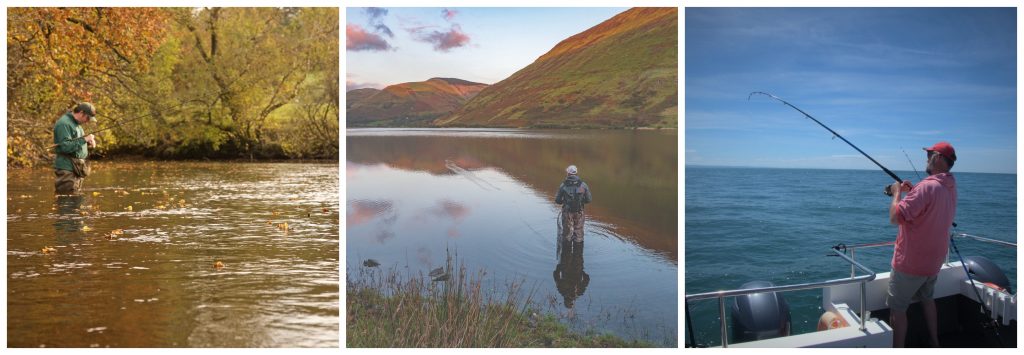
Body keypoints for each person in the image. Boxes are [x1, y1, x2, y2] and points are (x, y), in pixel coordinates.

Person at [886, 141, 958, 347]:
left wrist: (897, 193)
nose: (926, 159)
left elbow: (895, 217)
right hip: (933, 263)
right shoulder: (950, 186)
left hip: (911, 263)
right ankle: (934, 341)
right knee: (928, 299)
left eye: (929, 155)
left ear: (937, 158)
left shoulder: (927, 187)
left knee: (898, 310)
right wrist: (914, 192)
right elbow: (928, 205)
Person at [53, 102, 97, 194]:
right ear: (81, 113)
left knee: (75, 202)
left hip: (76, 169)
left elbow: (76, 143)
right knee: (67, 202)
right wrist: (84, 139)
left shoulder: (76, 124)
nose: (88, 121)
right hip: (67, 169)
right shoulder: (64, 124)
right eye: (88, 118)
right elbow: (65, 146)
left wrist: (88, 142)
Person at [555, 165, 592, 243]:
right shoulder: (583, 185)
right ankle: (578, 252)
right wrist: (581, 202)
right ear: (576, 173)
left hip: (567, 212)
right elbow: (589, 200)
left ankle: (566, 253)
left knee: (567, 235)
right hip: (579, 212)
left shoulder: (563, 185)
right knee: (579, 235)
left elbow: (557, 200)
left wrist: (564, 202)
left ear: (568, 173)